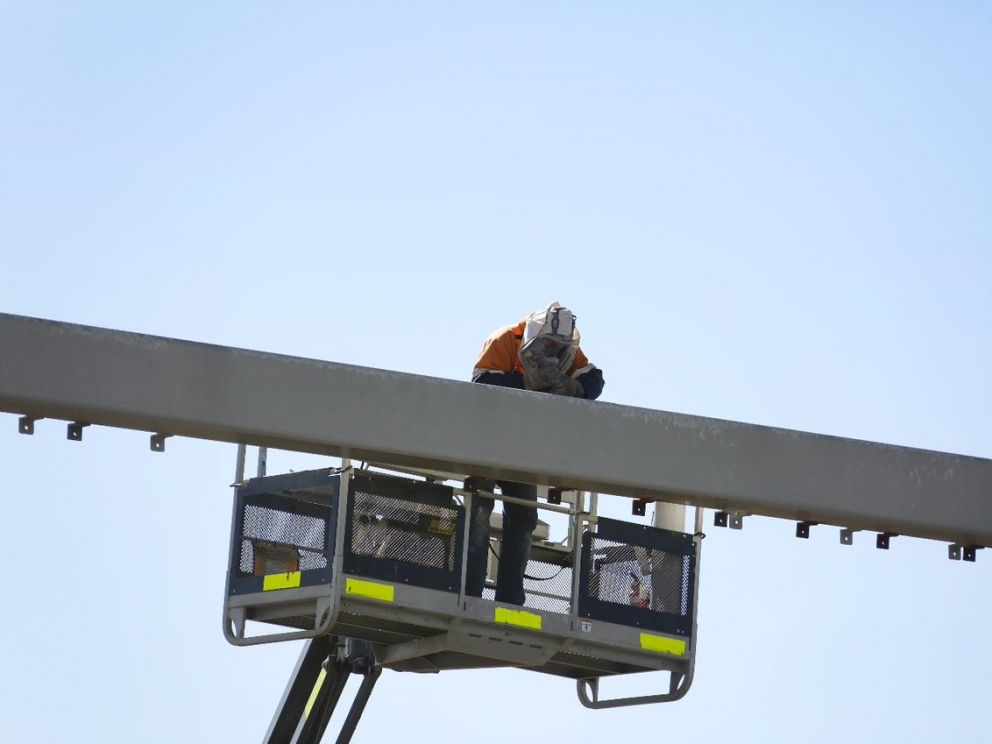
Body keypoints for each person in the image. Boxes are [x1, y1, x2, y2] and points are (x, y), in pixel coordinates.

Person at [465, 302, 605, 605]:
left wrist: (572, 387)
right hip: (486, 444)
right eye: (548, 344)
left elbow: (595, 380)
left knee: (525, 517)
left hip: (521, 449)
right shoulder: (505, 339)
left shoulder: (569, 353)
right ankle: (471, 593)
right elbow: (480, 384)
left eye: (558, 346)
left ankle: (510, 598)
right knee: (478, 513)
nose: (552, 351)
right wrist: (526, 382)